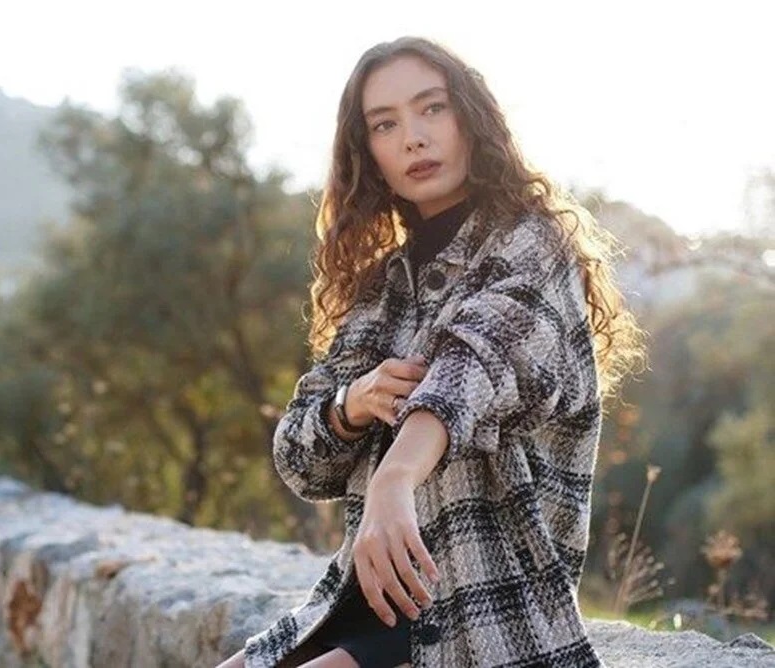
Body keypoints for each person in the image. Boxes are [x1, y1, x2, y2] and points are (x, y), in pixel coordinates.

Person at [216, 35, 643, 668]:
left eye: (432, 108)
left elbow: (474, 366)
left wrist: (395, 476)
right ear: (369, 153)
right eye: (385, 124)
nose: (413, 138)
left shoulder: (534, 244)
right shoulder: (383, 287)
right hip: (357, 604)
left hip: (481, 616)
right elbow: (300, 461)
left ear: (470, 118)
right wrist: (350, 404)